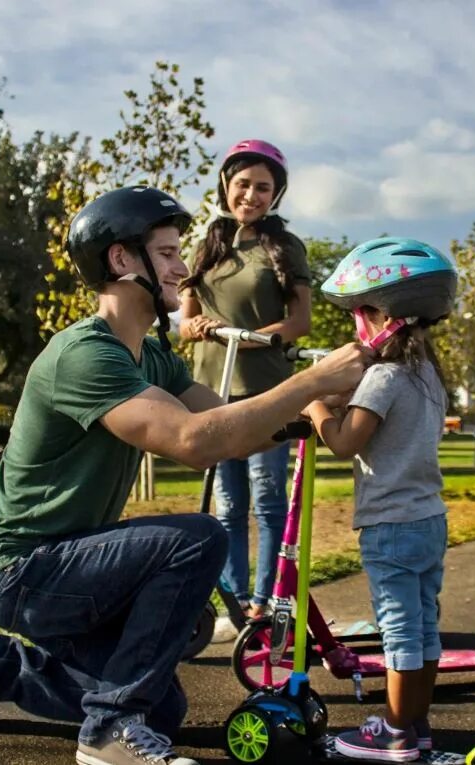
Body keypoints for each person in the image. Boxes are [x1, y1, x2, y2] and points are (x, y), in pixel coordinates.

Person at [0, 186, 371, 765]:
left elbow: (224, 426)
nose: (184, 268)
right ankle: (108, 734)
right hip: (19, 569)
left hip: (67, 562)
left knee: (162, 709)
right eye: (167, 253)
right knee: (200, 537)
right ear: (122, 260)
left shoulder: (153, 357)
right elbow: (192, 444)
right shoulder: (84, 355)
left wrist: (312, 415)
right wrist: (310, 384)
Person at [303, 237, 458, 763]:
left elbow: (347, 441)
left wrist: (318, 405)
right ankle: (416, 725)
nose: (356, 325)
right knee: (424, 624)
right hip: (429, 520)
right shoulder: (428, 376)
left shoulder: (384, 376)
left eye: (359, 313)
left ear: (385, 318)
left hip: (389, 525)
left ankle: (392, 734)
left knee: (398, 630)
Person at [179, 139, 311, 636]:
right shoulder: (208, 242)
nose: (250, 195)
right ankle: (234, 608)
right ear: (225, 187)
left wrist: (258, 339)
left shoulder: (284, 246)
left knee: (268, 498)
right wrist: (198, 328)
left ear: (275, 194)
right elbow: (186, 319)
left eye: (262, 187)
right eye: (242, 185)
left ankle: (267, 602)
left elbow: (299, 321)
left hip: (264, 391)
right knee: (227, 505)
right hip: (211, 389)